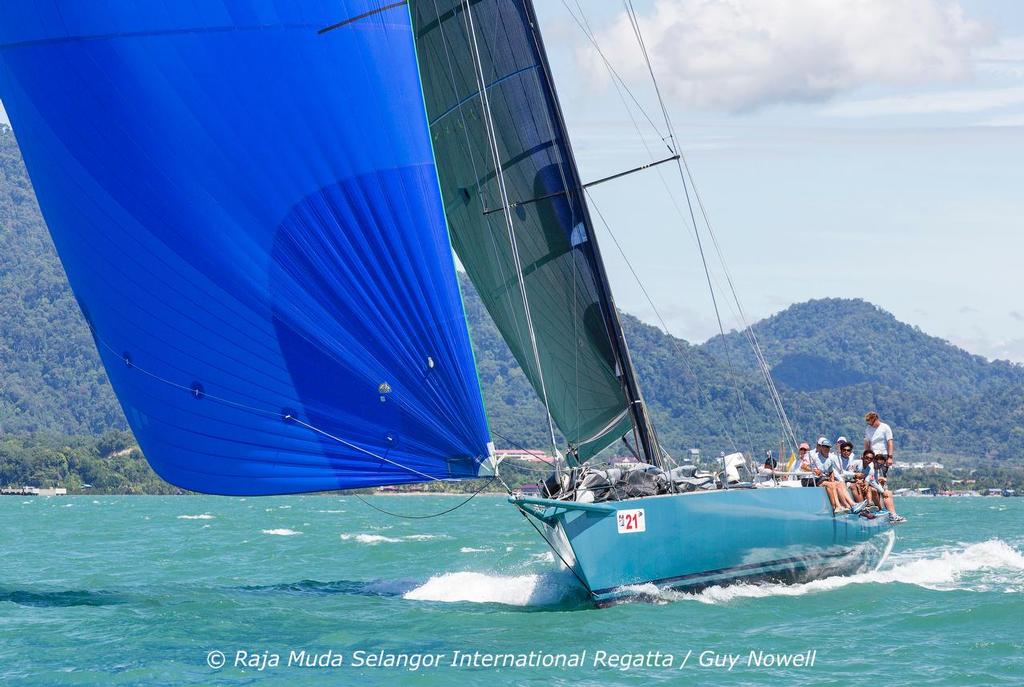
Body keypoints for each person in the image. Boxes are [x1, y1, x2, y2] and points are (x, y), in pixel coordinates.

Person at [866, 452, 906, 523]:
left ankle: (893, 514)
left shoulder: (877, 469)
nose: (879, 466)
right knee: (883, 492)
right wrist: (882, 491)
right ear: (874, 461)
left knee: (888, 492)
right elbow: (872, 481)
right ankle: (884, 511)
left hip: (870, 485)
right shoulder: (871, 468)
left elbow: (875, 481)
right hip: (865, 486)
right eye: (878, 463)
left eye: (881, 465)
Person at [864, 412, 895, 477]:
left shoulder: (885, 427)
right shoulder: (868, 429)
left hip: (883, 455)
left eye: (871, 423)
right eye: (869, 423)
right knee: (871, 475)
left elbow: (890, 442)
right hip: (872, 455)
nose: (870, 425)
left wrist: (890, 457)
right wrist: (865, 455)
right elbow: (867, 443)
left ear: (876, 419)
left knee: (882, 475)